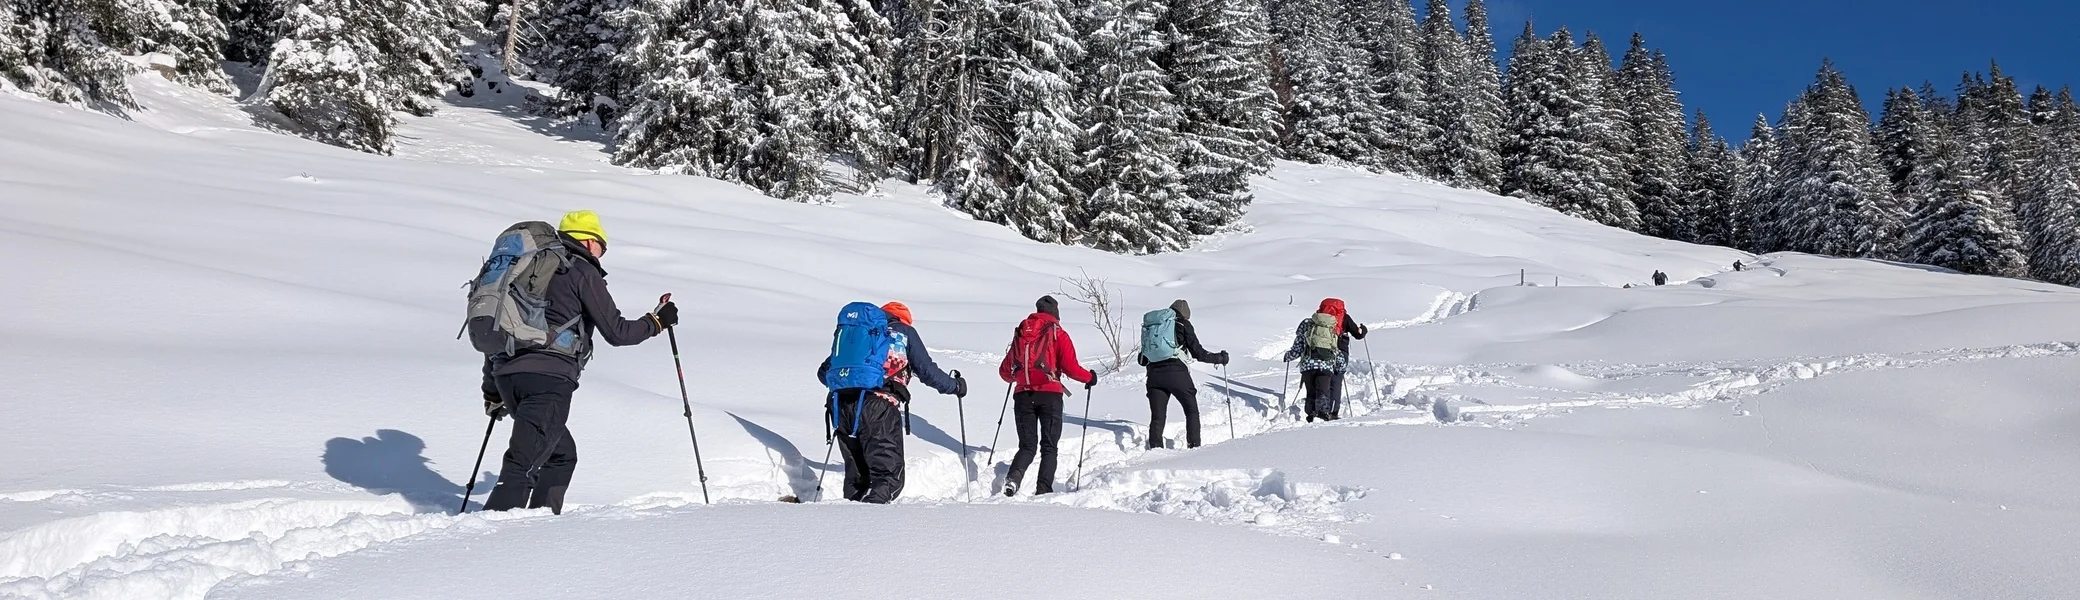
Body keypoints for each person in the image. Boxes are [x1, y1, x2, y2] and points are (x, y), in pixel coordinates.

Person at [479, 210, 676, 514]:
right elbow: (618, 332)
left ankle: (541, 522)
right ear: (588, 240)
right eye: (602, 246)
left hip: (508, 377)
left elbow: (501, 328)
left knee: (560, 454)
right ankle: (491, 536)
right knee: (522, 466)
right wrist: (656, 322)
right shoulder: (582, 271)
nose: (603, 253)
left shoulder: (530, 267)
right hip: (549, 380)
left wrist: (492, 389)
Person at [816, 301, 967, 504]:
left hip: (841, 407)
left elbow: (824, 373)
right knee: (887, 477)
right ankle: (873, 527)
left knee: (857, 478)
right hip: (879, 408)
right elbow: (927, 371)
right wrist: (955, 386)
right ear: (904, 319)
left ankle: (851, 527)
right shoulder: (904, 333)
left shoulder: (860, 336)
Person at [998, 295, 1096, 496]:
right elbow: (1071, 368)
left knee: (1027, 445)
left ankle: (1013, 480)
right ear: (1056, 314)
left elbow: (1005, 372)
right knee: (1049, 446)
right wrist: (1089, 378)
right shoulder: (1058, 333)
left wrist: (1019, 378)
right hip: (1050, 395)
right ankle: (1043, 490)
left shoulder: (1021, 334)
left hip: (1022, 395)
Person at [1138, 299, 1229, 449]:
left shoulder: (1156, 326)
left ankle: (1155, 450)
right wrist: (1219, 358)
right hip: (1176, 374)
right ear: (1186, 314)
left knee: (1157, 417)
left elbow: (1142, 359)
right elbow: (1199, 353)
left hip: (1153, 376)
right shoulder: (1183, 324)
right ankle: (1194, 447)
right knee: (1191, 410)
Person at [1282, 298, 1367, 422]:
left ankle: (1311, 415)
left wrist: (1289, 355)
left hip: (1309, 362)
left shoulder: (1312, 322)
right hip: (1332, 357)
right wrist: (1363, 329)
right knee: (1334, 384)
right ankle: (1330, 413)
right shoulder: (1342, 318)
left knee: (1311, 390)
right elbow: (1358, 334)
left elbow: (1299, 343)